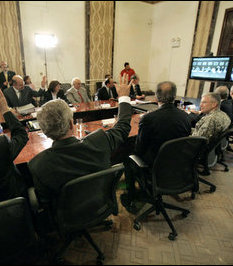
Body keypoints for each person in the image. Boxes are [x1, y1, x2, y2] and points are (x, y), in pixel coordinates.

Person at [28, 74, 132, 207]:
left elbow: (45, 201)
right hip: (100, 204)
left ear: (45, 132)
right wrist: (123, 97)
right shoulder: (99, 141)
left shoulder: (37, 164)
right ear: (72, 124)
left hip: (67, 216)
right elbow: (123, 126)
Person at [121, 81, 192, 209]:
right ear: (174, 96)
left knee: (128, 158)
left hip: (154, 165)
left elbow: (139, 149)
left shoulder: (149, 119)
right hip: (178, 162)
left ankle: (131, 197)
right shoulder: (186, 116)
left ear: (156, 97)